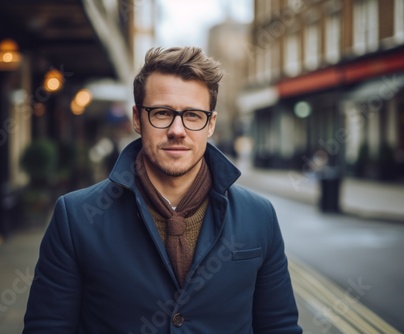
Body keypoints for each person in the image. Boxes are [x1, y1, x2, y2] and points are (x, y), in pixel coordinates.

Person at [23, 46, 302, 333]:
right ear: (137, 119)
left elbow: (279, 327)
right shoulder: (75, 217)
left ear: (211, 124)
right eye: (161, 112)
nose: (177, 130)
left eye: (193, 115)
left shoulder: (259, 216)